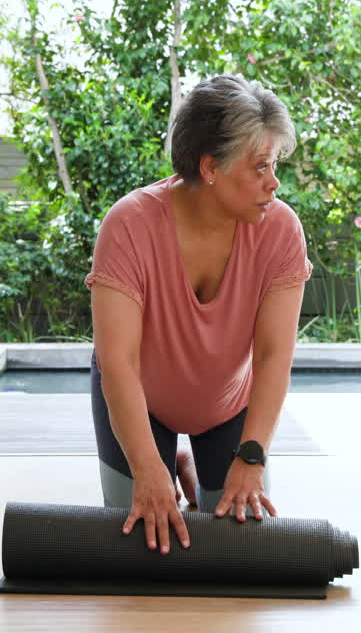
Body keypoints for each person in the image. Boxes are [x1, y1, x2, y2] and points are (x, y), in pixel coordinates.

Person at [86, 74, 311, 554]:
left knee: (238, 547)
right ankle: (168, 463)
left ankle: (187, 466)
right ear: (210, 167)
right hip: (139, 400)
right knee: (144, 543)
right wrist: (148, 470)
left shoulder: (282, 230)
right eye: (260, 168)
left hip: (228, 403)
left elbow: (273, 356)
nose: (273, 183)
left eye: (275, 167)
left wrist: (252, 458)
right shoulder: (128, 224)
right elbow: (118, 363)